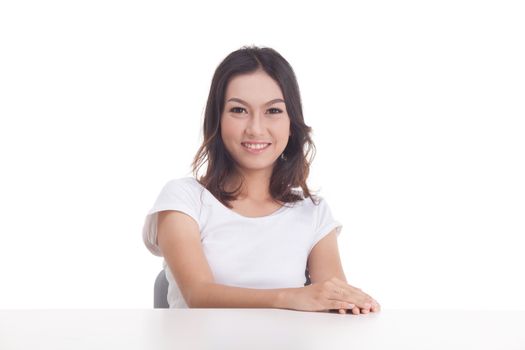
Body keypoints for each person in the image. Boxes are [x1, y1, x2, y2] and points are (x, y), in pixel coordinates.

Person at [142, 45, 380, 315]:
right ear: (217, 120)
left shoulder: (313, 212)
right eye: (239, 110)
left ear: (292, 123)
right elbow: (199, 294)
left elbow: (333, 301)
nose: (255, 128)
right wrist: (292, 297)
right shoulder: (183, 199)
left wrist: (355, 304)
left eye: (273, 111)